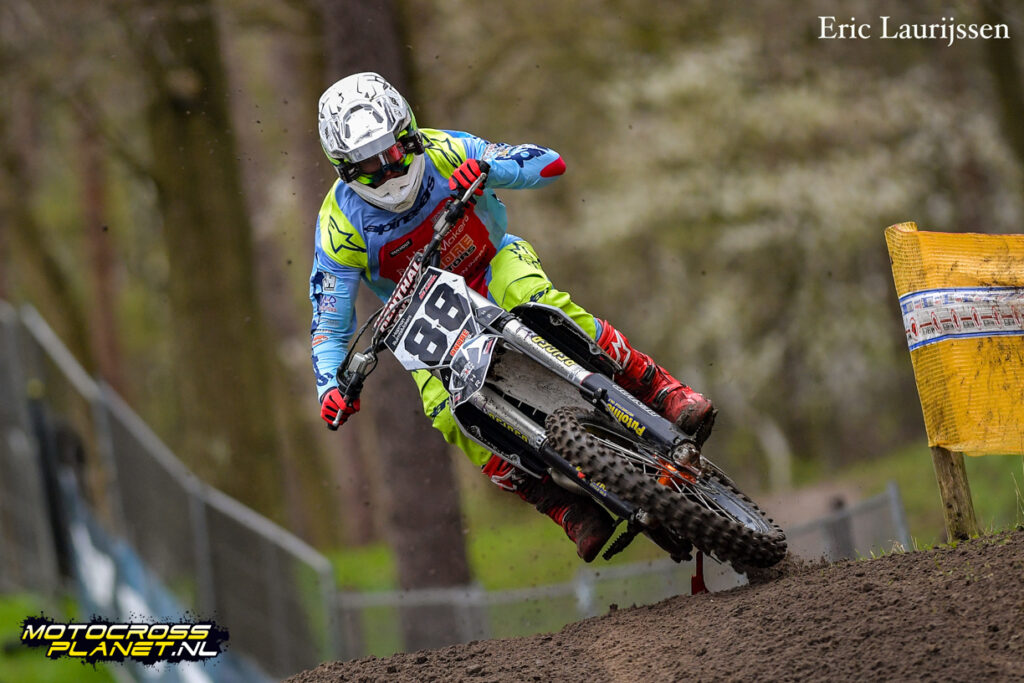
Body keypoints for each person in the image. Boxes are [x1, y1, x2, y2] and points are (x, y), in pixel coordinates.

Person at [309, 72, 715, 562]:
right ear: (345, 169)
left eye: (392, 152)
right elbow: (329, 323)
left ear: (408, 134)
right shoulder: (339, 227)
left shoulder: (447, 150)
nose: (388, 170)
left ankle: (661, 390)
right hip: (422, 315)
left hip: (491, 263)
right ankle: (561, 504)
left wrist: (490, 166)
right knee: (444, 411)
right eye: (369, 165)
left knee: (536, 298)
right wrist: (330, 387)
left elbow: (549, 163)